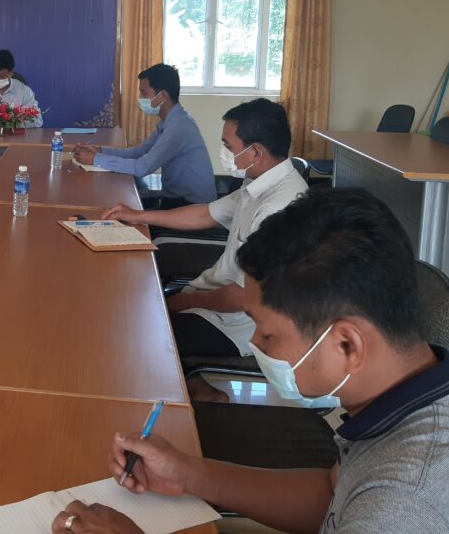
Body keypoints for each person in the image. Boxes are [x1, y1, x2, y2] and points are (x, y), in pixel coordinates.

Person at [52, 187, 449, 534]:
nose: (257, 345)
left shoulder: (406, 503)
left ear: (347, 345)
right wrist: (190, 475)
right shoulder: (448, 387)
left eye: (268, 334)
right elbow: (332, 496)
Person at [102, 98, 306, 402]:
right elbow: (204, 214)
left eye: (228, 145)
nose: (224, 153)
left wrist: (186, 300)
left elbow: (245, 297)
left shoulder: (280, 206)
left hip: (240, 323)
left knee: (142, 337)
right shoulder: (260, 182)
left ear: (255, 152)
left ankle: (176, 401)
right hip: (214, 298)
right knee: (135, 311)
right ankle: (197, 387)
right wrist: (138, 215)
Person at [73, 64, 215, 207]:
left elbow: (142, 167)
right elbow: (138, 152)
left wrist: (95, 159)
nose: (140, 98)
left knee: (116, 205)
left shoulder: (178, 127)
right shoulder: (169, 122)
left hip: (192, 206)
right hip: (175, 198)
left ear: (162, 96)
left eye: (144, 93)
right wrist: (99, 150)